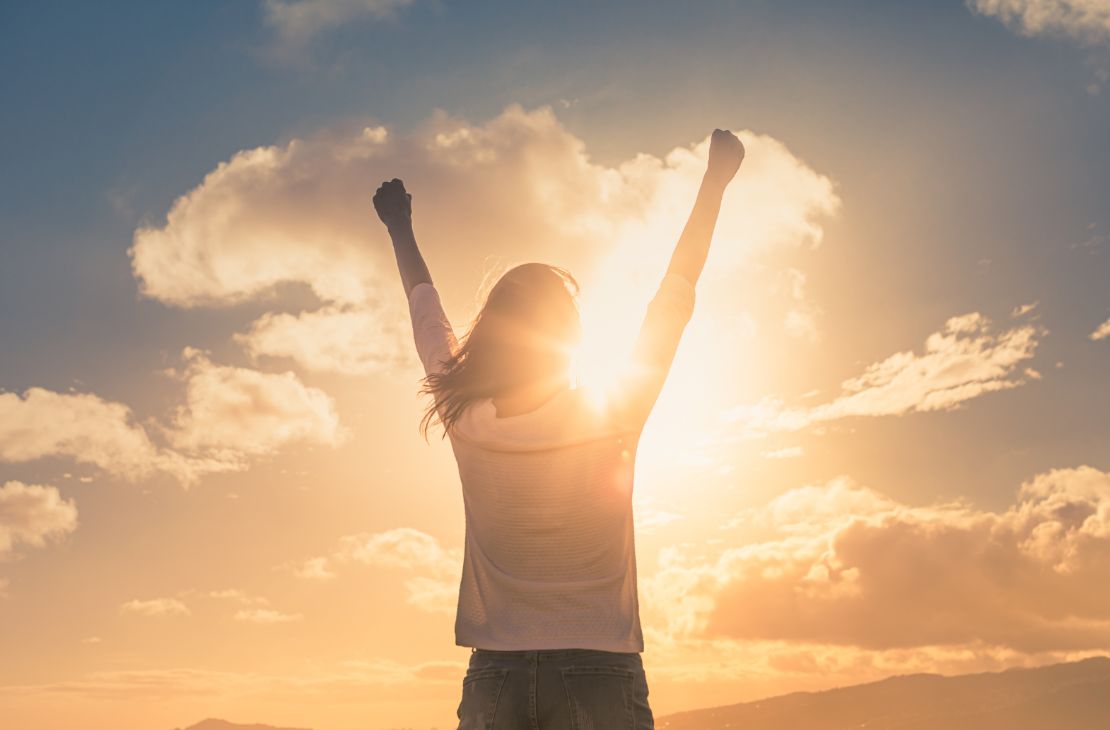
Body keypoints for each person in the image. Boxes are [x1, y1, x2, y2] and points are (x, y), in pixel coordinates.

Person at [373, 129, 745, 729]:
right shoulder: (613, 413)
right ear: (569, 339)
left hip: (495, 675)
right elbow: (674, 295)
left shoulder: (467, 417)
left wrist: (398, 226)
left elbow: (426, 311)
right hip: (600, 669)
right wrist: (714, 183)